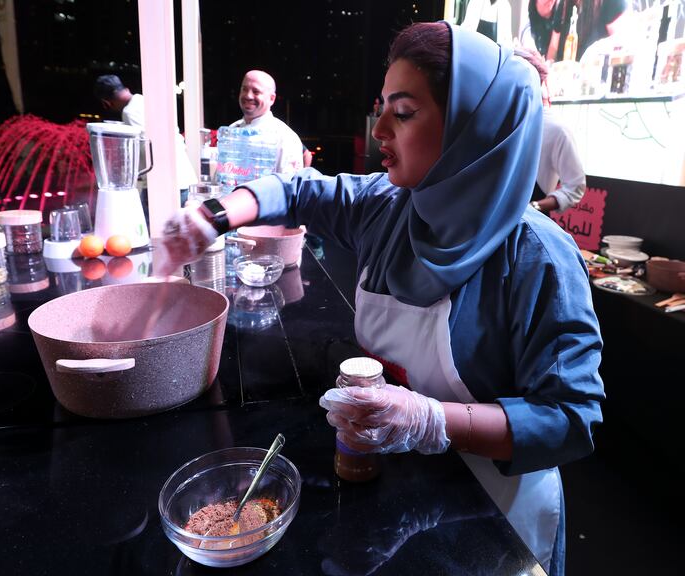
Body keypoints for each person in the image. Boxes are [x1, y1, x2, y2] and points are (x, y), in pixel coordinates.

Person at [160, 22, 604, 576]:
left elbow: (570, 417)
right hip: (405, 489)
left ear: (474, 126)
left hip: (496, 513)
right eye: (382, 108)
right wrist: (213, 217)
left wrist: (430, 420)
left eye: (405, 112)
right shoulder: (388, 205)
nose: (380, 130)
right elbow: (298, 190)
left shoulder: (538, 257)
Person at [94, 74, 197, 196]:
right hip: (185, 177)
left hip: (163, 186)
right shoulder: (144, 100)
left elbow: (145, 149)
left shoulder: (130, 112)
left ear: (106, 102)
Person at [517, 48, 585, 214]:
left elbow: (575, 186)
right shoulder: (497, 121)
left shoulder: (555, 130)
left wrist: (535, 207)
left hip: (530, 223)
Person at [230, 70, 304, 174]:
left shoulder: (285, 138)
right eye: (244, 89)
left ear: (272, 99)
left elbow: (289, 187)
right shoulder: (231, 130)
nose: (248, 96)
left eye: (256, 91)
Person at [547, 0, 630, 61]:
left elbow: (620, 47)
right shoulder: (565, 4)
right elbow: (553, 47)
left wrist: (594, 51)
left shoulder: (612, 2)